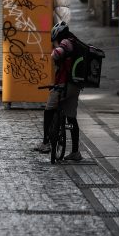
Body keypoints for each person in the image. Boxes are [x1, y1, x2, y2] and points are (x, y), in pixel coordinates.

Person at [40, 21, 84, 161]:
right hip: (75, 85)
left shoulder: (66, 42)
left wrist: (53, 54)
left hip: (64, 84)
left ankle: (46, 142)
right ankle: (75, 152)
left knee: (49, 108)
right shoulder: (76, 42)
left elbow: (58, 53)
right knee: (71, 118)